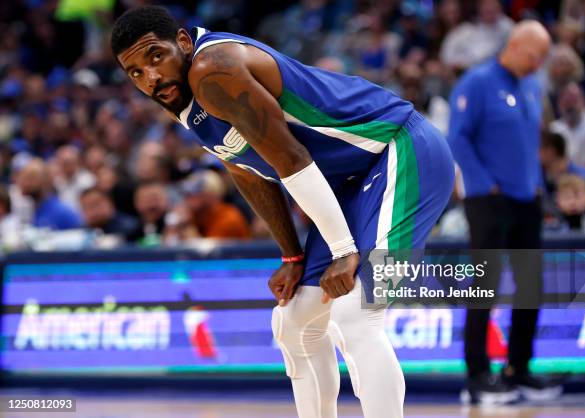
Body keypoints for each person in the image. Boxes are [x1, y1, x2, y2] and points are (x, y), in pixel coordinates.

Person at [111, 6, 454, 417]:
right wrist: (292, 256)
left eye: (155, 57)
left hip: (399, 148)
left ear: (183, 42)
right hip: (351, 182)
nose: (150, 77)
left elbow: (290, 157)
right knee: (293, 323)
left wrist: (345, 251)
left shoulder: (213, 68)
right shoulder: (181, 97)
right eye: (135, 72)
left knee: (356, 312)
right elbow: (247, 170)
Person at [448, 21, 562, 404]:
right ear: (514, 45)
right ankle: (478, 376)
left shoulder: (532, 85)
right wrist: (484, 183)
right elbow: (458, 138)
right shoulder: (477, 83)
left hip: (526, 199)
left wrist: (536, 185)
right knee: (485, 285)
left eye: (543, 58)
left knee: (531, 285)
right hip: (488, 201)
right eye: (535, 55)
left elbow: (528, 142)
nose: (539, 63)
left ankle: (519, 369)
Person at [181, 170, 251, 239]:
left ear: (211, 194)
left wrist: (188, 225)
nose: (188, 198)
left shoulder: (228, 218)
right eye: (187, 193)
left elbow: (210, 249)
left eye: (195, 193)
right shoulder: (197, 216)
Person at [17, 158, 82, 230]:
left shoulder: (63, 212)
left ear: (45, 181)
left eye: (30, 178)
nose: (24, 183)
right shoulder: (28, 210)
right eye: (23, 178)